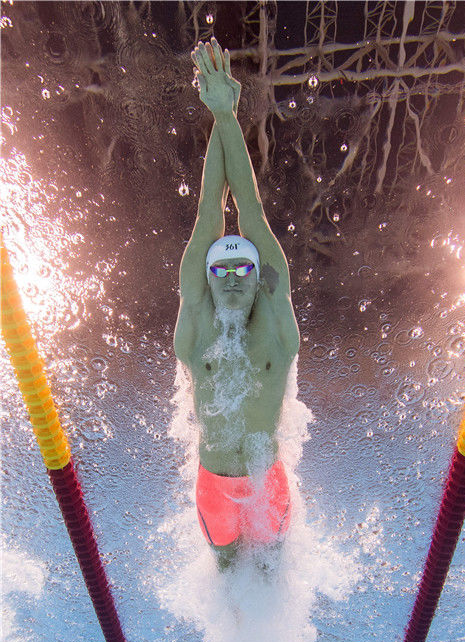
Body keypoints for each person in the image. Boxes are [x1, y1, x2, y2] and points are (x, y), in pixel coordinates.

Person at [173, 38, 300, 570]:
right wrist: (221, 115)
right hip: (213, 487)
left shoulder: (277, 322)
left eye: (241, 269)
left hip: (266, 481)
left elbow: (248, 208)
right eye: (219, 269)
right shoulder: (196, 324)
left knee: (272, 571)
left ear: (259, 279)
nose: (228, 278)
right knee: (228, 576)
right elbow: (209, 215)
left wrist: (227, 115)